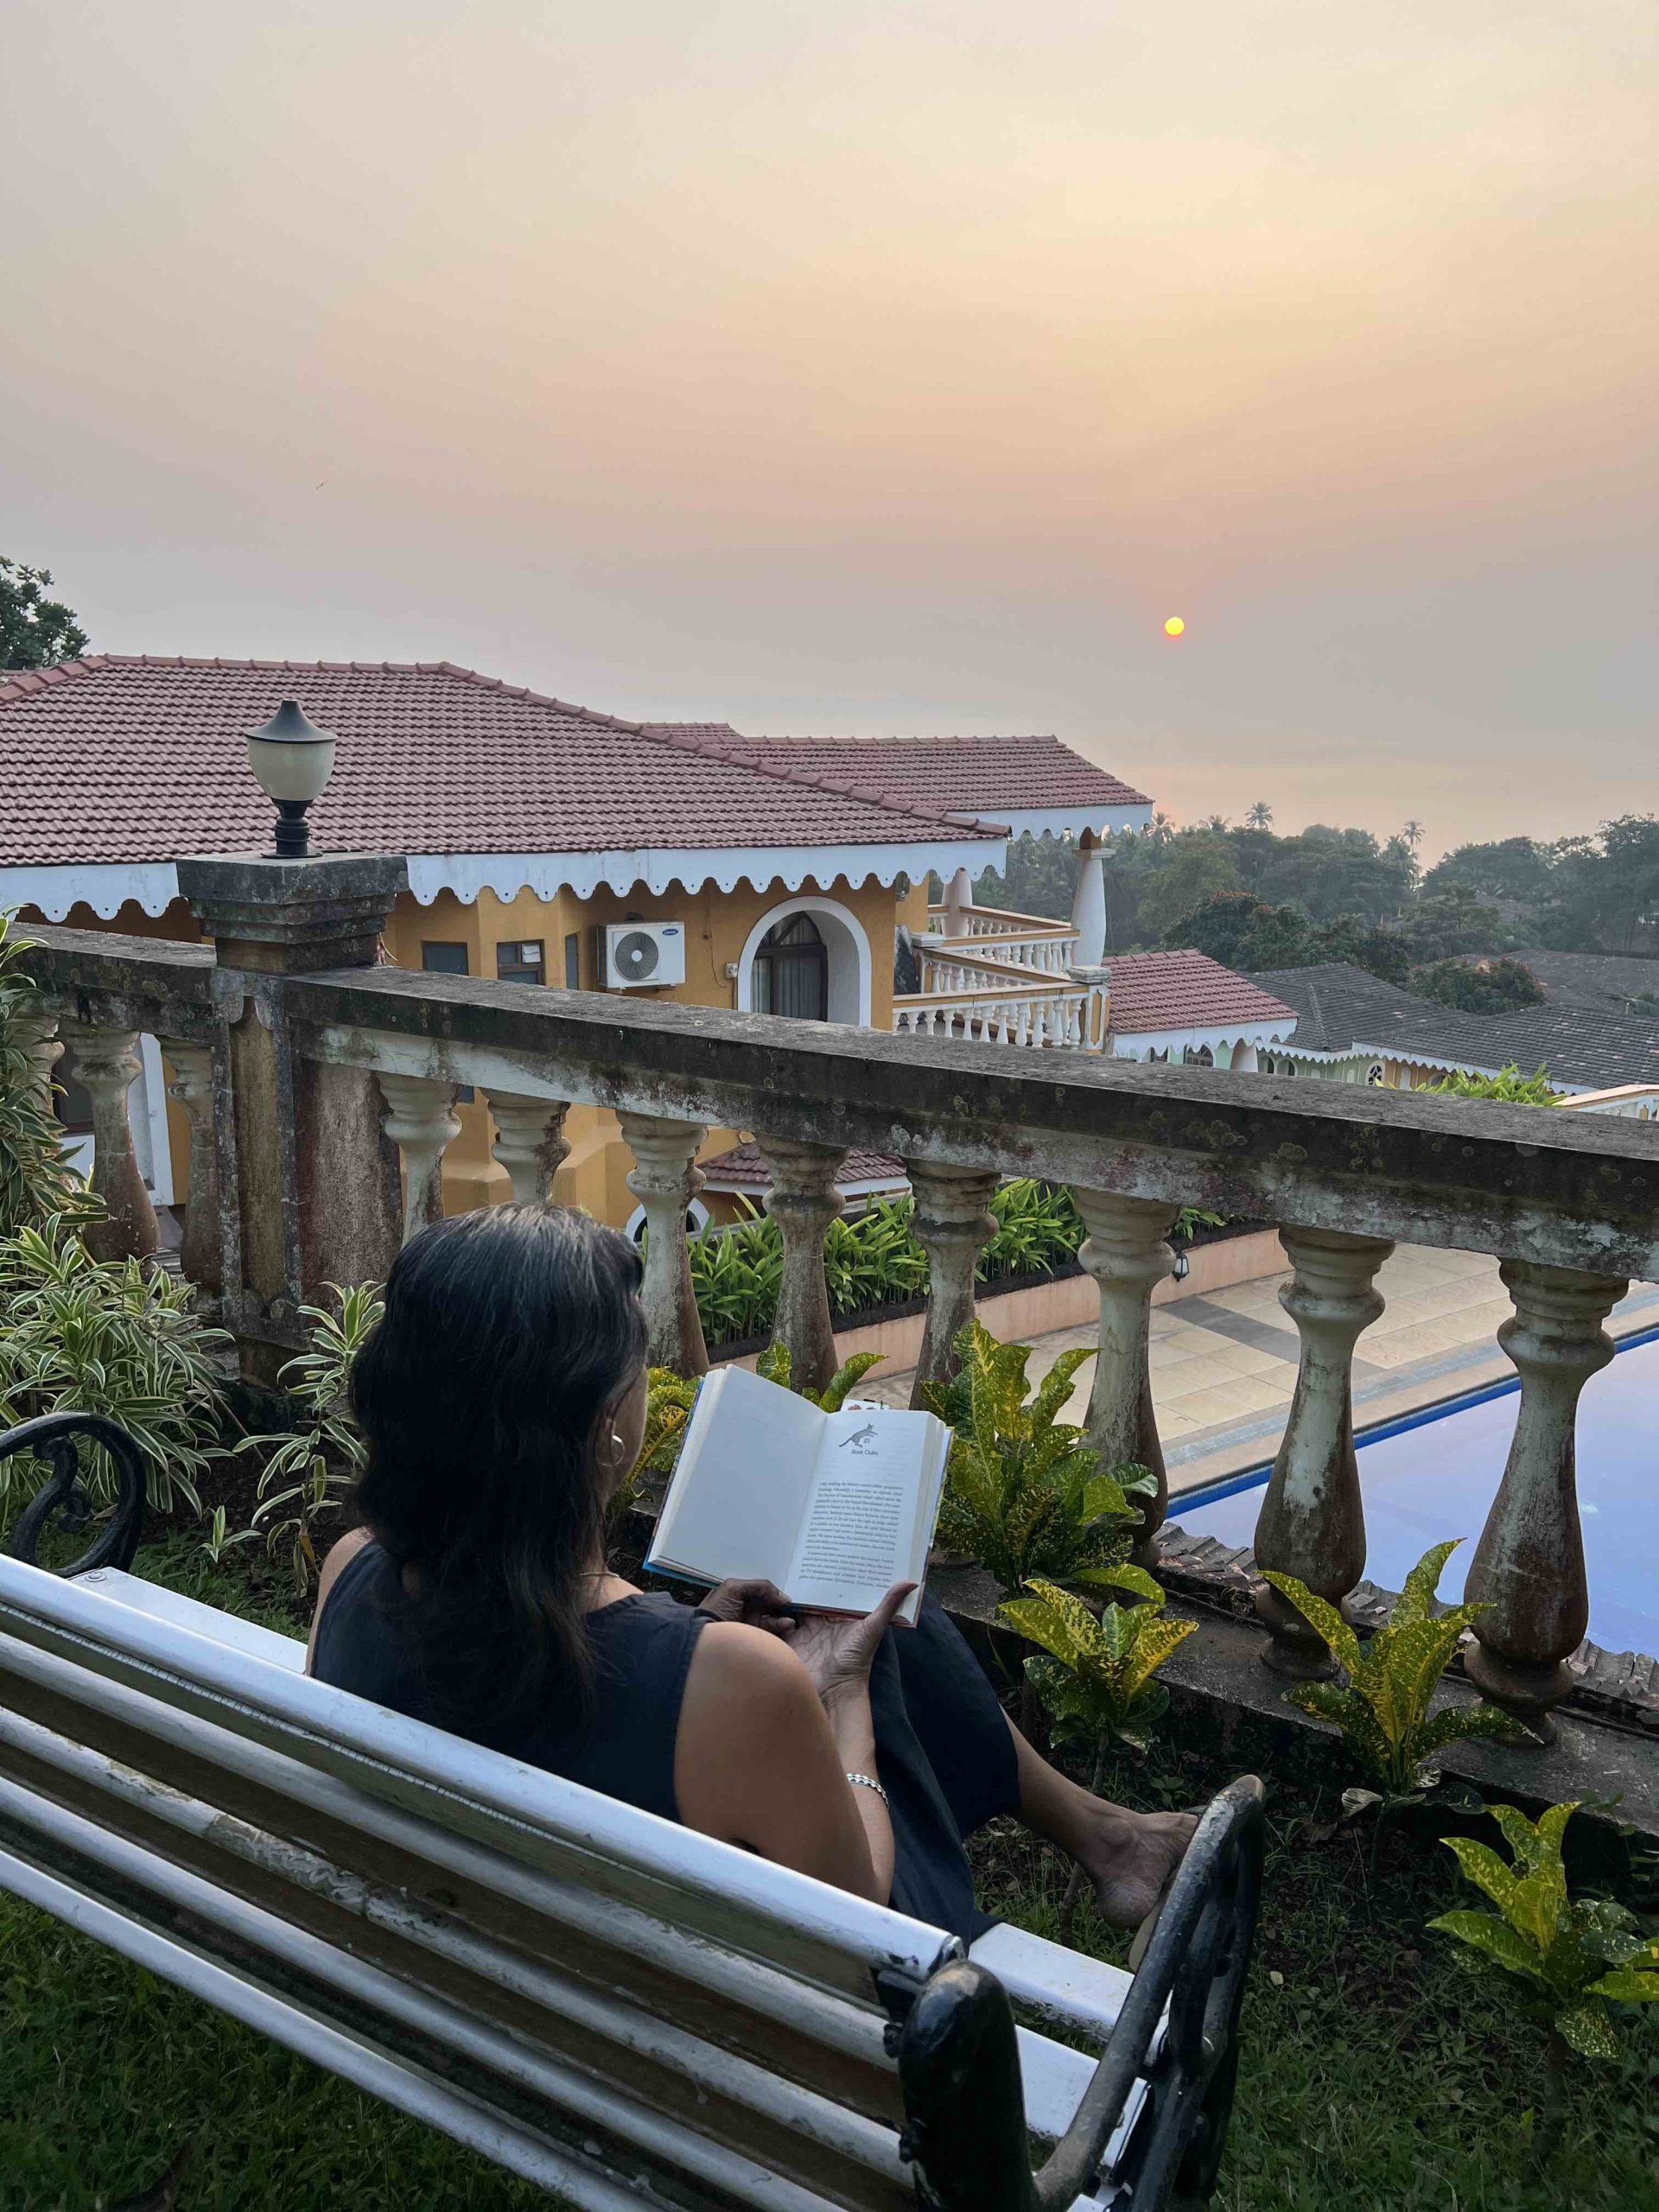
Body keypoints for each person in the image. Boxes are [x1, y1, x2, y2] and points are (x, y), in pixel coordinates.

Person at [308, 1205, 1193, 1942]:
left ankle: (1110, 1841)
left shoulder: (349, 1574)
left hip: (490, 1959)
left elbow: (540, 1681)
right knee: (865, 1640)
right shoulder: (741, 1688)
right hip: (716, 2035)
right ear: (606, 1428)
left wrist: (689, 1630)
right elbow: (858, 1930)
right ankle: (1110, 1843)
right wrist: (839, 1703)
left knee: (850, 1621)